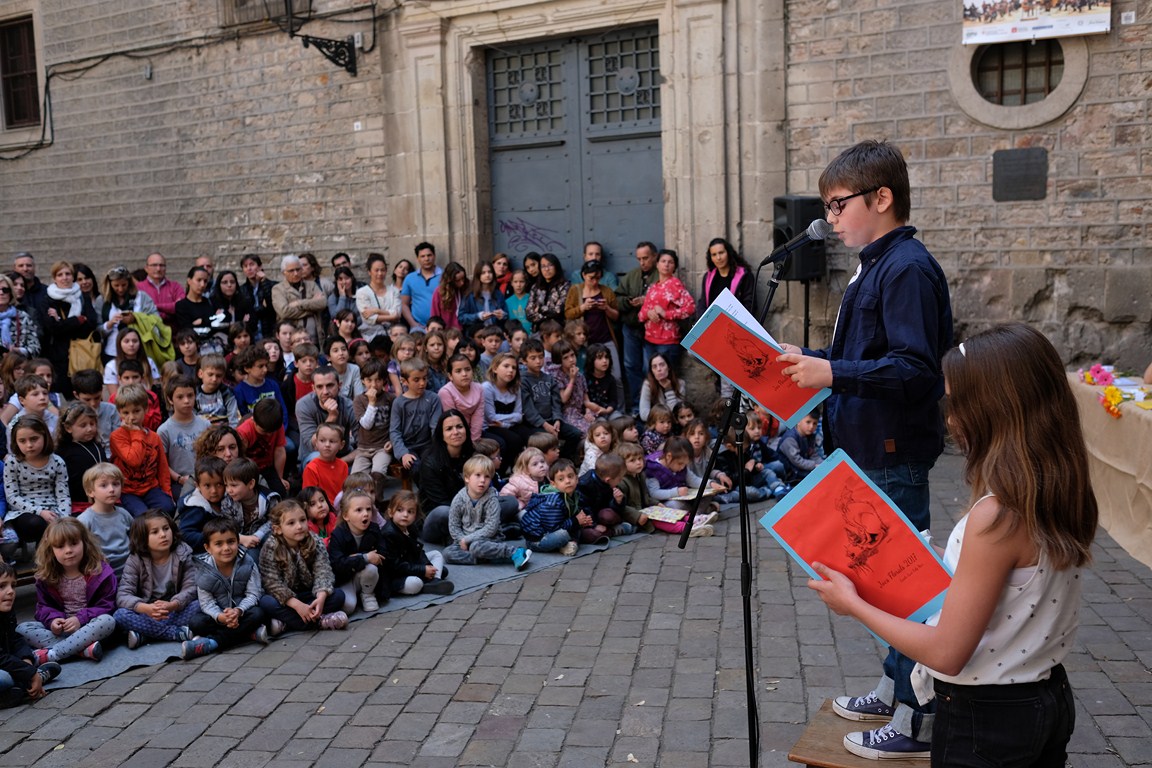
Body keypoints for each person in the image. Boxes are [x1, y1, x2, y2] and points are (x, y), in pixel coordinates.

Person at [810, 323, 1096, 764]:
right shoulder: (1060, 491)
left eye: (957, 404)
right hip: (1046, 696)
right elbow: (1014, 584)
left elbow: (946, 653)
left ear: (994, 410)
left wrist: (854, 605)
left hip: (984, 720)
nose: (950, 419)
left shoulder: (997, 516)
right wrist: (933, 560)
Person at [775, 139, 955, 756]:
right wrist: (813, 360)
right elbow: (864, 355)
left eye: (837, 204)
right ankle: (891, 688)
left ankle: (913, 717)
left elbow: (916, 369)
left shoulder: (906, 269)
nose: (830, 219)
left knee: (905, 587)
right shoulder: (875, 264)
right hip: (866, 448)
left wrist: (832, 373)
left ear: (881, 198)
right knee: (880, 583)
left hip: (892, 451)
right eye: (827, 206)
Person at [17, 518, 118, 663]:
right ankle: (82, 650)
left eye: (74, 543)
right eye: (60, 546)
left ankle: (53, 654)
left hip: (91, 628)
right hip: (63, 630)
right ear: (51, 550)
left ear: (85, 543)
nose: (68, 550)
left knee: (107, 621)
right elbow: (43, 607)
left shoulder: (100, 572)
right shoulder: (46, 577)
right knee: (22, 629)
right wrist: (53, 620)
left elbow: (108, 606)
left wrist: (80, 619)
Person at [112, 511, 207, 658]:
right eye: (155, 532)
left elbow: (191, 587)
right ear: (143, 538)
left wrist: (173, 605)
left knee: (201, 604)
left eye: (166, 529)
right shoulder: (135, 559)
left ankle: (145, 635)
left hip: (175, 610)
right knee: (120, 615)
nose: (163, 535)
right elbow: (123, 595)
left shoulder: (183, 553)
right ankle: (175, 633)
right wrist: (145, 608)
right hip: (148, 613)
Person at [257, 499, 349, 634]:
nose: (299, 526)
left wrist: (321, 597)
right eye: (291, 523)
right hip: (287, 599)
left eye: (302, 520)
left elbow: (323, 571)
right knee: (266, 602)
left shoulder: (315, 541)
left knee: (338, 596)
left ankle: (288, 623)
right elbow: (272, 583)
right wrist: (297, 605)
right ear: (278, 529)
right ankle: (321, 621)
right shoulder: (271, 547)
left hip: (309, 594)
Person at [190, 518, 270, 649]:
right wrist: (221, 617)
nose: (226, 548)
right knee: (196, 623)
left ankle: (213, 642)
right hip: (219, 616)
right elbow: (206, 603)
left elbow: (253, 594)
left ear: (238, 542)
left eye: (231, 542)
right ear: (208, 548)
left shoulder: (248, 562)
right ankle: (248, 634)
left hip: (242, 612)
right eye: (219, 544)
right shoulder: (203, 570)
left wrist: (238, 611)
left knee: (258, 614)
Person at [444, 455, 531, 569]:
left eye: (487, 476)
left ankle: (514, 552)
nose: (482, 480)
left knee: (476, 547)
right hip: (464, 539)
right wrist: (461, 540)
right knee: (448, 553)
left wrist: (468, 540)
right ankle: (486, 557)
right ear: (467, 478)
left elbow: (491, 528)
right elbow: (454, 525)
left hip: (488, 539)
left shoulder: (492, 499)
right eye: (478, 475)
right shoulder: (459, 499)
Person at [0, 561, 62, 708]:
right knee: (4, 678)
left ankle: (18, 689)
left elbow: (14, 638)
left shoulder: (6, 610)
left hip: (5, 661)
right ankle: (27, 683)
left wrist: (26, 660)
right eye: (2, 586)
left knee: (24, 660)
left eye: (13, 586)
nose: (10, 591)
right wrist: (29, 673)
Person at [4, 414, 69, 546]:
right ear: (15, 442)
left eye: (34, 439)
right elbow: (12, 497)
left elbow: (63, 495)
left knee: (70, 525)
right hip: (23, 511)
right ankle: (43, 556)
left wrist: (64, 518)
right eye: (22, 441)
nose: (29, 445)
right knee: (37, 523)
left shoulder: (57, 462)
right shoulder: (12, 462)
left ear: (45, 436)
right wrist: (39, 511)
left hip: (52, 509)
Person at [111, 384, 175, 517]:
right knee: (142, 516)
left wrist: (167, 493)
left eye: (136, 411)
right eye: (126, 413)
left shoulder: (154, 437)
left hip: (151, 488)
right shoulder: (117, 436)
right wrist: (136, 433)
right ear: (119, 413)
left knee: (168, 507)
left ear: (146, 409)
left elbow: (162, 468)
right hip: (127, 491)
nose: (131, 417)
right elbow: (134, 460)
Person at [326, 491, 391, 613]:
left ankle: (368, 594)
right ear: (346, 515)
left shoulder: (374, 529)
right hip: (346, 578)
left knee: (371, 569)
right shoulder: (338, 535)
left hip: (368, 576)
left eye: (368, 509)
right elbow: (337, 564)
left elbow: (384, 555)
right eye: (359, 510)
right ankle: (357, 595)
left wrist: (353, 559)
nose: (365, 514)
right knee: (348, 607)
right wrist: (365, 557)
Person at [43, 261, 100, 397]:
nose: (64, 278)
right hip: (59, 356)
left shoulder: (83, 296)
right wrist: (77, 320)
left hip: (82, 352)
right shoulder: (47, 299)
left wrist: (61, 322)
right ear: (54, 278)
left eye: (68, 274)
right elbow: (52, 328)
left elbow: (91, 323)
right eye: (60, 274)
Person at [379, 491, 453, 595]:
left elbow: (418, 552)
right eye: (400, 510)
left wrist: (427, 566)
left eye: (410, 511)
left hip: (410, 563)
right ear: (391, 512)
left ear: (415, 515)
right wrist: (422, 570)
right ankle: (428, 582)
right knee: (415, 583)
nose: (405, 515)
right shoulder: (388, 534)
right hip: (395, 575)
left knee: (436, 554)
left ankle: (435, 580)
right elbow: (396, 566)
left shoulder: (411, 528)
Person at [616, 242, 659, 411]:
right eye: (639, 259)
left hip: (651, 330)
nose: (642, 262)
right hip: (631, 327)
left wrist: (647, 301)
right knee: (631, 366)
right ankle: (636, 406)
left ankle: (653, 407)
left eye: (646, 258)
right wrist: (629, 302)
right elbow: (617, 299)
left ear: (654, 256)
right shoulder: (631, 276)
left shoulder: (661, 275)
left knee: (650, 367)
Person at [638, 248, 695, 371]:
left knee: (666, 376)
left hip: (667, 342)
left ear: (674, 267)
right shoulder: (653, 287)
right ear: (657, 264)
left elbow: (690, 308)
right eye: (663, 261)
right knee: (650, 375)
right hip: (649, 340)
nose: (666, 264)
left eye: (670, 262)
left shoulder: (675, 284)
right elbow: (641, 314)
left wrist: (666, 314)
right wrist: (648, 313)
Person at [75, 463, 133, 577]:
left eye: (116, 484)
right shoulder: (84, 520)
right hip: (102, 575)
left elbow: (135, 537)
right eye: (104, 485)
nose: (111, 489)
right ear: (90, 491)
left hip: (130, 571)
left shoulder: (124, 514)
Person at [159, 376, 211, 499]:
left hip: (205, 478)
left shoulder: (205, 425)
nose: (186, 401)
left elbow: (211, 455)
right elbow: (163, 463)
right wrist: (179, 478)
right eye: (180, 397)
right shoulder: (164, 430)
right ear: (170, 399)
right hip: (179, 482)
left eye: (190, 395)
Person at [520, 459, 585, 554]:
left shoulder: (574, 494)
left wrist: (581, 520)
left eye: (570, 476)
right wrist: (575, 520)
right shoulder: (553, 501)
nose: (567, 481)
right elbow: (553, 528)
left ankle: (571, 543)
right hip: (538, 539)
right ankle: (566, 545)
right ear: (553, 484)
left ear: (577, 479)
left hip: (553, 529)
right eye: (561, 479)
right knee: (563, 534)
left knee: (578, 526)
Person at [389, 358, 442, 471]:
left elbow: (435, 427)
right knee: (415, 467)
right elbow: (395, 431)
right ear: (404, 381)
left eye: (424, 378)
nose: (422, 383)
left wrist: (438, 449)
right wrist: (403, 453)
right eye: (416, 380)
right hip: (408, 447)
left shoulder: (433, 399)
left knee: (432, 465)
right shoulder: (399, 403)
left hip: (427, 445)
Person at [56, 403, 107, 511]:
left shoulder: (97, 445)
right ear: (68, 428)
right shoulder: (63, 451)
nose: (89, 429)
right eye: (83, 425)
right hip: (80, 503)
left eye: (92, 424)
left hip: (104, 497)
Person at [272, 255, 328, 345]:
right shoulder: (278, 289)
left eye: (298, 269)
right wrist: (312, 308)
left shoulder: (312, 285)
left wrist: (299, 303)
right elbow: (284, 312)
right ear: (284, 273)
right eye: (291, 271)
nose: (296, 273)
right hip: (292, 339)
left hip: (314, 337)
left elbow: (322, 303)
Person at [457, 260, 507, 337]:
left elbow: (506, 314)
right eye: (483, 273)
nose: (487, 275)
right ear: (478, 275)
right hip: (476, 336)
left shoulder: (498, 293)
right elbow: (461, 318)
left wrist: (502, 315)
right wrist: (478, 316)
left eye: (490, 272)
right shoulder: (470, 295)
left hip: (494, 335)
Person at [302, 423, 350, 505]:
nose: (327, 445)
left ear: (341, 445)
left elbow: (345, 491)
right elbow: (309, 497)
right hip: (322, 508)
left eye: (332, 441)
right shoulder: (311, 468)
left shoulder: (343, 465)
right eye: (322, 441)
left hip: (342, 507)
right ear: (316, 443)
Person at [400, 243, 442, 331]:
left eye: (429, 255)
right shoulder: (410, 278)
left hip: (440, 327)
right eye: (422, 256)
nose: (426, 259)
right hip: (418, 327)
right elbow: (404, 304)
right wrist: (413, 324)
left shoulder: (444, 276)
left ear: (434, 256)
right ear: (417, 259)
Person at [138, 252, 185, 327]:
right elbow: (140, 311)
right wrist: (169, 309)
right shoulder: (139, 287)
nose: (158, 269)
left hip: (172, 330)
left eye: (162, 265)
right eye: (154, 265)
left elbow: (180, 306)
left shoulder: (175, 286)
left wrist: (155, 306)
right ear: (146, 268)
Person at [525, 253, 570, 331]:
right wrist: (547, 315)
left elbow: (558, 310)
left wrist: (539, 309)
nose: (546, 269)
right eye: (543, 266)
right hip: (538, 331)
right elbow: (529, 313)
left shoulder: (564, 285)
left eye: (550, 265)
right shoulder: (536, 287)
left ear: (556, 266)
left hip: (557, 330)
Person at [0, 273, 40, 359]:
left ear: (11, 293)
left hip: (17, 364)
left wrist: (18, 351)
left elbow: (35, 348)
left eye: (5, 290)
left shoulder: (23, 317)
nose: (1, 293)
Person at [637, 353, 685, 422]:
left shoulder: (680, 384)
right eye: (654, 367)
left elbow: (676, 413)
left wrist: (669, 389)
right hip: (655, 424)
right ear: (652, 371)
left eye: (662, 365)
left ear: (668, 367)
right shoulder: (648, 385)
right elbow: (644, 414)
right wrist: (662, 420)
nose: (659, 369)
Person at [777, 410, 824, 482]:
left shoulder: (810, 436)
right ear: (798, 421)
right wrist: (814, 465)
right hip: (791, 471)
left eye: (815, 423)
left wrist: (823, 465)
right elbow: (797, 461)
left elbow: (812, 454)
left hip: (802, 467)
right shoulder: (790, 439)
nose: (811, 426)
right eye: (808, 422)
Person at [239, 254, 278, 340]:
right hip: (251, 331)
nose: (249, 268)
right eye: (245, 266)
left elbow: (271, 307)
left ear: (260, 266)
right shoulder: (241, 290)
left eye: (252, 264)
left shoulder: (273, 286)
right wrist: (261, 308)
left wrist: (264, 282)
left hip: (269, 329)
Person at [500, 447, 549, 512]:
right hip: (525, 511)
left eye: (542, 462)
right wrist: (520, 505)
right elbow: (504, 497)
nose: (541, 465)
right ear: (526, 469)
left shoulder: (550, 477)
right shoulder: (519, 481)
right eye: (535, 464)